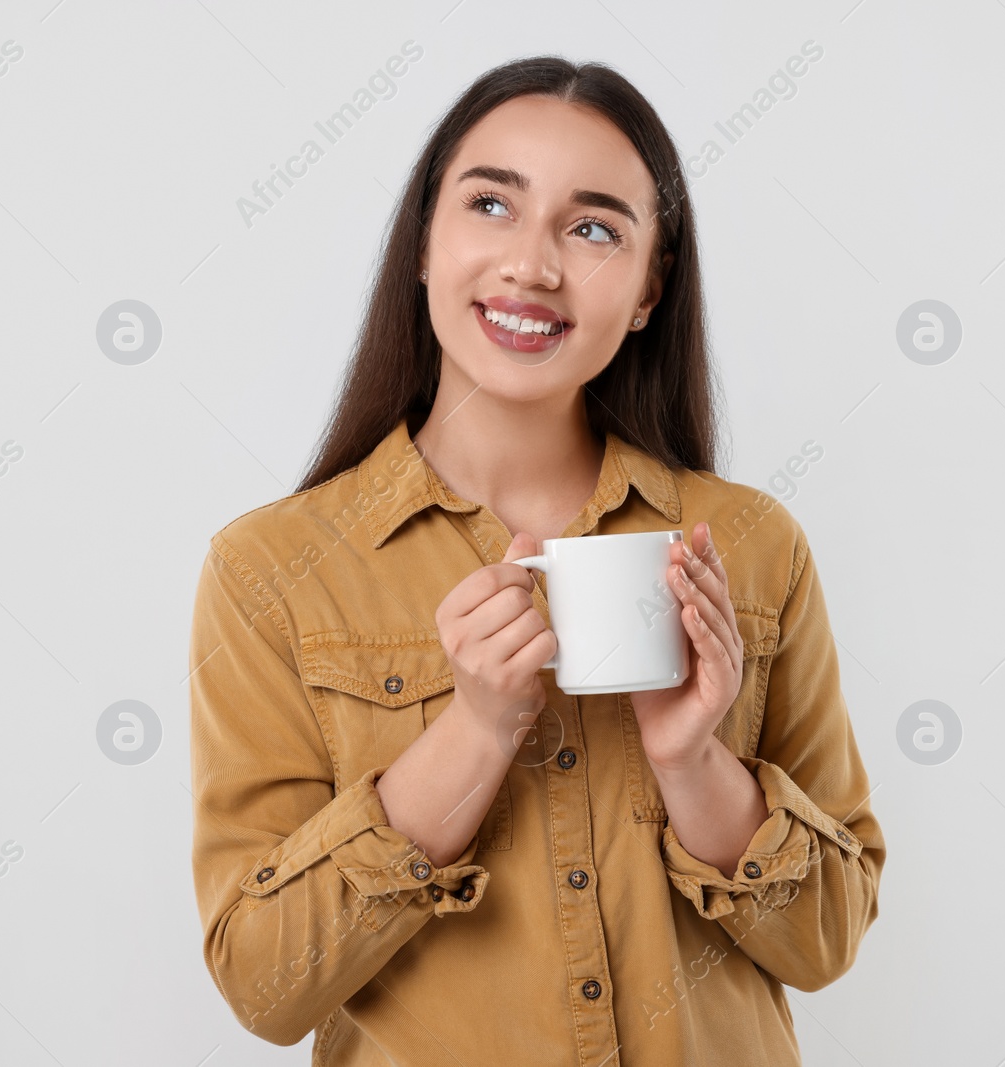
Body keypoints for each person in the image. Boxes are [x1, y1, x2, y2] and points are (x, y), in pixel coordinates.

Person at [187, 55, 884, 1066]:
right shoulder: (271, 569)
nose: (533, 265)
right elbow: (265, 983)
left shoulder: (749, 545)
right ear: (424, 243)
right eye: (491, 205)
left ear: (649, 288)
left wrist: (695, 761)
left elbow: (825, 941)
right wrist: (474, 730)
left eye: (593, 227)